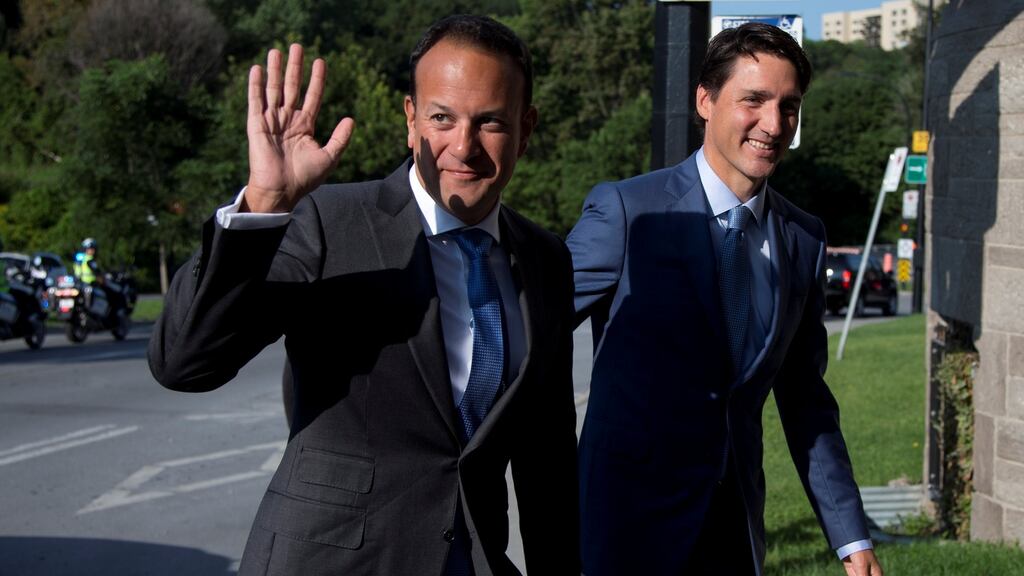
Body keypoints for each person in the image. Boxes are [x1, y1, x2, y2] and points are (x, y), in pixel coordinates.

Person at [148, 14, 579, 576]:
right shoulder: (330, 221)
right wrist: (263, 204)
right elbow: (184, 363)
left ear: (526, 127)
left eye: (490, 121)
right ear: (410, 119)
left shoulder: (546, 259)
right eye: (442, 118)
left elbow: (548, 458)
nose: (463, 145)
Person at [568, 23, 883, 576]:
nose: (774, 124)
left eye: (789, 106)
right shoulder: (628, 211)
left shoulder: (803, 238)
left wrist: (851, 538)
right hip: (626, 532)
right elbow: (530, 322)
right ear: (705, 101)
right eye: (753, 100)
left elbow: (805, 400)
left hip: (735, 534)